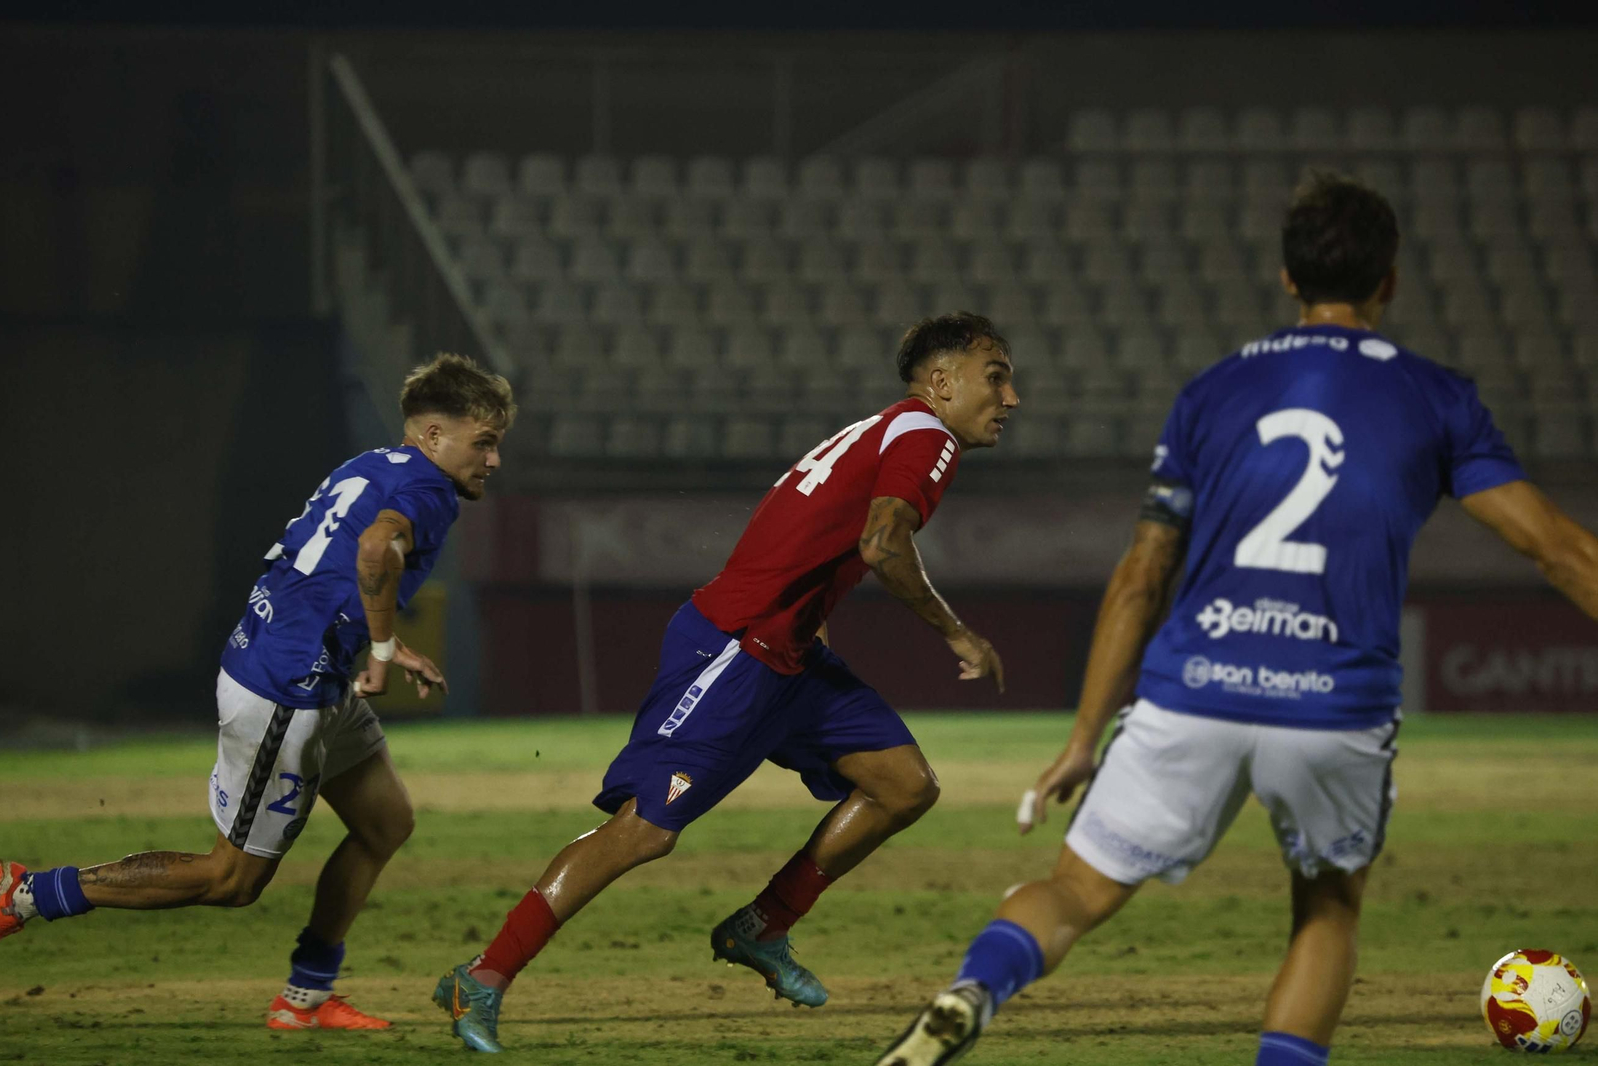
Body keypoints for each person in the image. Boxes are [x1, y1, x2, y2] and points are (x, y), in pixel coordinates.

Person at [876, 173, 1598, 1066]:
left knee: (1074, 890)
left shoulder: (1213, 391)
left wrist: (1083, 734)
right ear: (1392, 280)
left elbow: (1142, 574)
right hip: (1334, 702)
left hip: (1197, 686)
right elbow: (1557, 550)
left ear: (1288, 279)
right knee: (1328, 907)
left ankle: (971, 993)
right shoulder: (1436, 397)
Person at [433, 312, 1018, 1053]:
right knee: (644, 832)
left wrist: (810, 620)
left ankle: (762, 926)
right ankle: (480, 977)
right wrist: (957, 632)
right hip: (737, 652)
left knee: (904, 785)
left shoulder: (886, 430)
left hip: (791, 655)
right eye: (995, 377)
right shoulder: (925, 437)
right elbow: (881, 542)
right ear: (942, 383)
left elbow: (811, 534)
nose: (1011, 397)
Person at [0, 352, 515, 1033]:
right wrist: (385, 649)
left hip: (305, 662)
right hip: (285, 689)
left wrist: (379, 636)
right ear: (432, 436)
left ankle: (304, 998)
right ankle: (28, 894)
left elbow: (321, 571)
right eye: (483, 442)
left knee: (386, 823)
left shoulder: (372, 465)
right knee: (230, 881)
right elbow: (371, 552)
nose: (494, 460)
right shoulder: (429, 492)